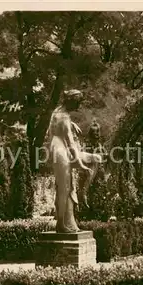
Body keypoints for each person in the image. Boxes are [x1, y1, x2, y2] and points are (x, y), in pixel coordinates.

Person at [47, 89, 100, 233]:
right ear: (71, 102)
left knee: (65, 187)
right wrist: (82, 165)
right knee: (64, 189)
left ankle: (66, 221)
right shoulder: (63, 117)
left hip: (57, 149)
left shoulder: (57, 111)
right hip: (61, 152)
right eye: (77, 104)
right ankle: (62, 224)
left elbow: (56, 128)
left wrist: (71, 124)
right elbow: (71, 144)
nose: (78, 107)